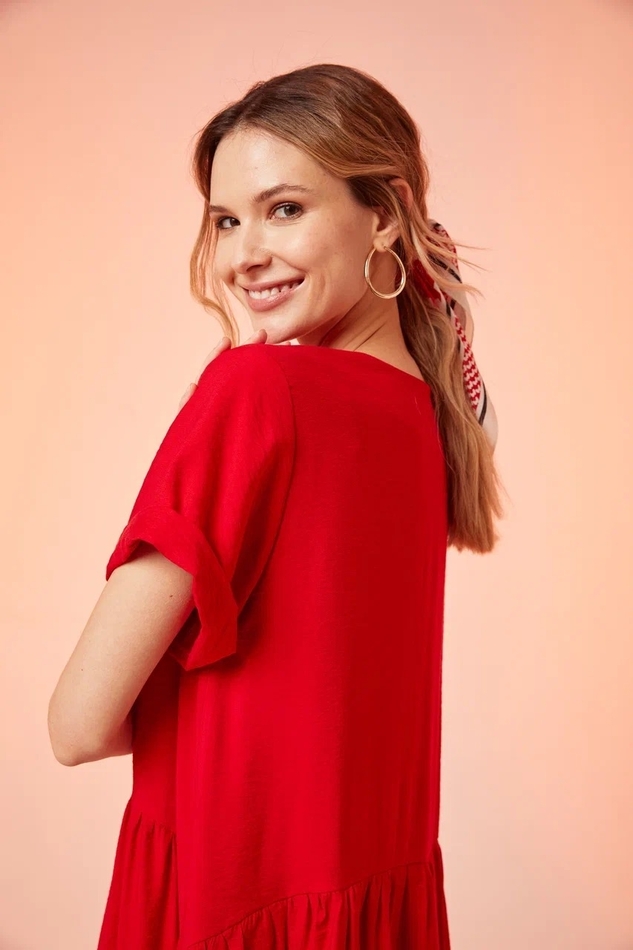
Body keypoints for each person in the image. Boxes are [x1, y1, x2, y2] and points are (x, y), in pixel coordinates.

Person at [48, 63, 505, 949]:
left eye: (284, 209)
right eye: (226, 220)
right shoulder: (427, 417)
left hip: (234, 898)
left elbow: (76, 725)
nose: (242, 255)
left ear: (384, 213)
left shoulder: (257, 393)